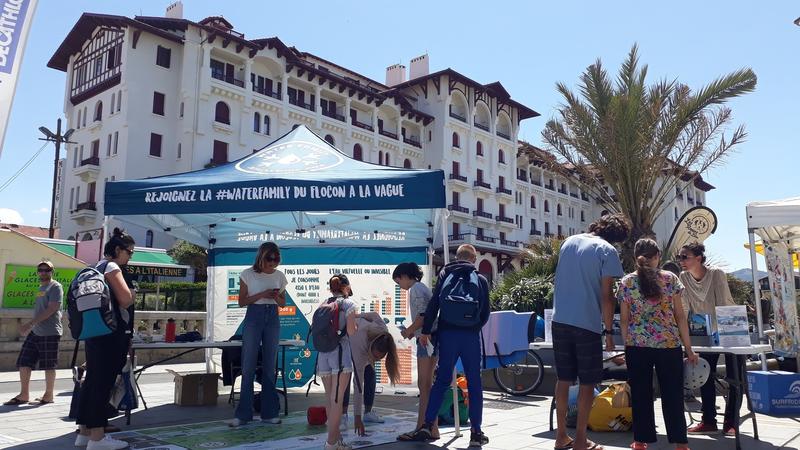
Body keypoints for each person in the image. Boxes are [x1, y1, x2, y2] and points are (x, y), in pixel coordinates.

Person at [551, 213, 629, 450]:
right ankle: (581, 440)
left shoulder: (569, 241)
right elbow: (607, 297)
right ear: (616, 237)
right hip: (586, 324)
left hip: (559, 319)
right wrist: (608, 332)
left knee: (563, 379)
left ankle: (561, 436)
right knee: (587, 382)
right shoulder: (607, 250)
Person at [617, 238, 698, 450]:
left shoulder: (627, 282)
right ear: (658, 257)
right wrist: (688, 348)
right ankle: (680, 442)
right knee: (673, 393)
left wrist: (626, 344)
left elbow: (624, 320)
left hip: (637, 345)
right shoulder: (670, 279)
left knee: (641, 394)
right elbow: (680, 316)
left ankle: (641, 441)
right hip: (669, 344)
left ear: (636, 258)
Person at [411, 244, 491, 448]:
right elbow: (485, 313)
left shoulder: (446, 274)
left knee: (442, 380)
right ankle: (475, 432)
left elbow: (434, 304)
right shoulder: (480, 279)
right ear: (473, 259)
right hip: (470, 337)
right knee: (474, 382)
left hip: (447, 334)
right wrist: (472, 326)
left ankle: (428, 424)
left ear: (457, 258)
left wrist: (427, 330)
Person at [75, 228, 136, 450]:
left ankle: (84, 433)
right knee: (103, 384)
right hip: (111, 334)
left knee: (92, 382)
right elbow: (126, 300)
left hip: (94, 332)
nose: (130, 257)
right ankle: (98, 438)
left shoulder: (93, 267)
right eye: (129, 253)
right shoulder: (112, 267)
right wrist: (133, 292)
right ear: (118, 250)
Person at [677, 243, 739, 436]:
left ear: (699, 258)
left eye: (685, 256)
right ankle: (708, 420)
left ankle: (732, 422)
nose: (681, 261)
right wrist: (687, 341)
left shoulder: (717, 274)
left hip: (728, 333)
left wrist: (726, 334)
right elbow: (684, 310)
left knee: (735, 378)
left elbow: (724, 305)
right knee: (704, 376)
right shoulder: (683, 278)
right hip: (702, 335)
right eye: (680, 257)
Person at [230, 242, 287, 427]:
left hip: (273, 317)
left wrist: (275, 296)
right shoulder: (247, 274)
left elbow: (283, 304)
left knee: (270, 366)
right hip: (254, 316)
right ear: (261, 256)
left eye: (276, 258)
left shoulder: (280, 276)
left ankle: (269, 412)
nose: (273, 262)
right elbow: (241, 301)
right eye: (270, 258)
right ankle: (243, 414)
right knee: (248, 366)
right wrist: (263, 294)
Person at [4, 261, 63, 406]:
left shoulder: (55, 286)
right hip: (36, 331)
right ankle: (24, 395)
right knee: (24, 361)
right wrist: (32, 326)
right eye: (40, 270)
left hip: (50, 332)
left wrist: (30, 324)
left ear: (52, 271)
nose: (43, 272)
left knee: (49, 365)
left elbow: (52, 309)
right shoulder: (41, 287)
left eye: (46, 270)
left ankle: (48, 395)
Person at [393, 262, 440, 441]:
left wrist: (408, 331)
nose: (400, 286)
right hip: (432, 338)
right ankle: (432, 427)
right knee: (428, 384)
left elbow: (422, 317)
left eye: (398, 282)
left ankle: (422, 427)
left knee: (424, 385)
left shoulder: (416, 290)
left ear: (405, 276)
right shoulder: (423, 288)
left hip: (426, 341)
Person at [318, 274, 358, 450]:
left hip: (323, 353)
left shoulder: (324, 303)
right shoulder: (349, 304)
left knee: (330, 399)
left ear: (331, 288)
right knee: (338, 400)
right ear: (346, 287)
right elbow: (351, 331)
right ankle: (331, 443)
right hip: (341, 354)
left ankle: (337, 440)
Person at [346, 311, 400, 436]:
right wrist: (357, 417)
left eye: (379, 358)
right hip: (346, 340)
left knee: (370, 374)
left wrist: (359, 316)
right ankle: (343, 415)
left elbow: (374, 315)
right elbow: (358, 386)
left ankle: (368, 412)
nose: (376, 359)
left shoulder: (383, 331)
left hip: (362, 338)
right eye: (374, 356)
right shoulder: (359, 344)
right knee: (345, 375)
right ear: (371, 346)